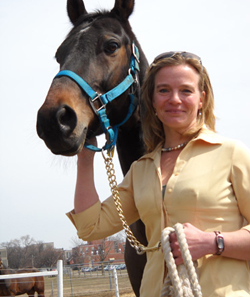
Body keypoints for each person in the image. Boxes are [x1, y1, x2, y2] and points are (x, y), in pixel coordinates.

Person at [67, 51, 250, 297]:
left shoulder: (231, 154)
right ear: (152, 100)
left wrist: (212, 242)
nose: (174, 99)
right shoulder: (141, 170)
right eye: (163, 90)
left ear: (201, 99)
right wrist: (85, 160)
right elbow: (90, 226)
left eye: (186, 90)